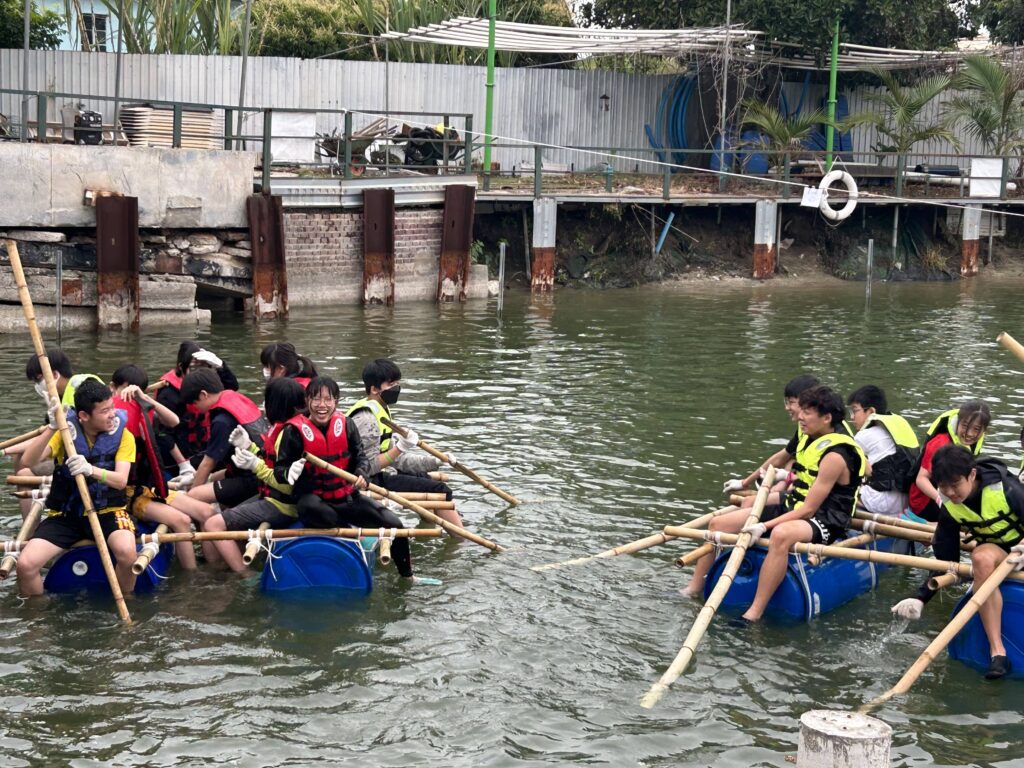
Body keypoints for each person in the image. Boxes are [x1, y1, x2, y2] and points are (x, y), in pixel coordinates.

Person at [685, 386, 866, 619]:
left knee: (781, 534)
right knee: (717, 525)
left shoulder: (835, 454)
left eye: (808, 412)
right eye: (802, 410)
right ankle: (694, 588)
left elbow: (809, 509)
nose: (800, 417)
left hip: (826, 518)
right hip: (794, 503)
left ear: (827, 418)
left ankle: (755, 611)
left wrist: (765, 526)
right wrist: (763, 481)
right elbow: (799, 478)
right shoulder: (810, 438)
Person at [283, 376, 440, 586]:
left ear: (336, 401)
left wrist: (361, 474)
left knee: (396, 525)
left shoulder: (346, 424)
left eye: (328, 400)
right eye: (316, 399)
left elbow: (361, 458)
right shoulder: (293, 432)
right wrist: (288, 472)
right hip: (314, 501)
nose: (322, 405)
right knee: (316, 509)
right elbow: (279, 468)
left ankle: (408, 576)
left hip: (346, 497)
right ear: (307, 401)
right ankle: (353, 538)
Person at [892, 445, 1024, 679]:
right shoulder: (949, 506)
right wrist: (921, 597)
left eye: (955, 485)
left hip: (1020, 549)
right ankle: (998, 653)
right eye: (943, 487)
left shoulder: (1006, 489)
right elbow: (947, 561)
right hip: (999, 554)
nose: (950, 493)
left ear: (972, 475)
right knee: (980, 557)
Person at [15, 379, 138, 596]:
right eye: (105, 411)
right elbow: (29, 461)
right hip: (67, 514)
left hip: (108, 511)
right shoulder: (65, 432)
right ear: (84, 416)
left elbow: (120, 480)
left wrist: (90, 470)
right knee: (26, 564)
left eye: (113, 407)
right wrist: (51, 427)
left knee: (128, 554)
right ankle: (37, 615)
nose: (113, 414)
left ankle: (125, 597)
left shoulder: (124, 436)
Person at [202, 378, 307, 571]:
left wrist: (255, 465)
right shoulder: (284, 428)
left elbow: (287, 484)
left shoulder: (289, 434)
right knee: (224, 518)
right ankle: (226, 566)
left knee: (212, 525)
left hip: (282, 506)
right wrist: (248, 447)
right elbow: (273, 463)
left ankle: (244, 576)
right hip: (275, 499)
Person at [347, 358, 461, 527]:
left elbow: (397, 459)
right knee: (441, 490)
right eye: (391, 384)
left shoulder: (381, 410)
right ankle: (461, 540)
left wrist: (436, 461)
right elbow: (367, 467)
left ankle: (432, 527)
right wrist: (400, 448)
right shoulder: (367, 418)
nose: (396, 388)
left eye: (397, 383)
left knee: (424, 478)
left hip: (379, 474)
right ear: (374, 389)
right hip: (365, 481)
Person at [111, 364, 198, 570]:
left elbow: (174, 421)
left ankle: (211, 566)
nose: (128, 396)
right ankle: (191, 577)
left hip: (148, 488)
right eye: (124, 389)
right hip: (128, 494)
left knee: (204, 512)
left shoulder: (142, 408)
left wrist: (146, 399)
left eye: (134, 391)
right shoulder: (108, 415)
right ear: (113, 387)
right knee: (182, 520)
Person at [722, 374, 825, 502]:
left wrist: (785, 481)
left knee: (742, 507)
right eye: (786, 402)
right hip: (801, 494)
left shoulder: (828, 436)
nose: (787, 408)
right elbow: (785, 456)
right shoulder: (805, 428)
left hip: (817, 504)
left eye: (791, 402)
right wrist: (745, 482)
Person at [178, 367, 268, 509]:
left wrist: (191, 491)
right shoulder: (234, 398)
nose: (195, 407)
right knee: (211, 480)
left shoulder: (222, 421)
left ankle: (202, 528)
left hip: (253, 479)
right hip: (254, 469)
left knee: (193, 496)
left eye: (194, 403)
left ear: (203, 395)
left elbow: (208, 463)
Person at [154, 341, 240, 485]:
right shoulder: (168, 394)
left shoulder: (206, 383)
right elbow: (163, 434)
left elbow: (232, 387)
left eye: (204, 367)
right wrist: (183, 464)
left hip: (203, 449)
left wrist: (221, 366)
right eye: (194, 368)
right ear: (182, 368)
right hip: (179, 455)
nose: (200, 373)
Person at [908, 401, 991, 523]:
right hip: (925, 502)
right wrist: (940, 500)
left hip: (951, 492)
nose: (969, 434)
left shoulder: (971, 444)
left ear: (984, 431)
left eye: (976, 429)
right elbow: (921, 479)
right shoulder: (940, 443)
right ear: (957, 421)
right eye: (965, 426)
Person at [846, 385, 920, 519]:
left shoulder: (864, 436)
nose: (852, 417)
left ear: (870, 411)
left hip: (880, 503)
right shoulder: (897, 428)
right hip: (904, 502)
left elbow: (841, 461)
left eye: (855, 411)